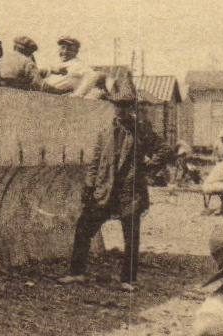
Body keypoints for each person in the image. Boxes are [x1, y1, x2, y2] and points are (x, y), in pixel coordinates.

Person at [60, 73, 155, 288]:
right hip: (105, 189)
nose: (121, 110)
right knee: (84, 227)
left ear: (131, 108)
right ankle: (77, 272)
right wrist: (89, 185)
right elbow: (95, 161)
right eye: (118, 106)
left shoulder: (142, 131)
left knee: (131, 236)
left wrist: (144, 168)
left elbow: (164, 151)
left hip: (129, 191)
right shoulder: (105, 131)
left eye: (125, 106)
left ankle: (128, 279)